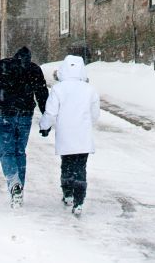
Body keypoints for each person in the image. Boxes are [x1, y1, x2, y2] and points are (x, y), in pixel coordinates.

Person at [0, 46, 48, 208]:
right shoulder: (34, 70)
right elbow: (42, 95)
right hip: (25, 115)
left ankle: (15, 185)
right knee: (19, 152)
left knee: (6, 152)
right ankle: (18, 188)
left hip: (4, 115)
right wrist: (46, 118)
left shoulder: (1, 66)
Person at [39, 54, 100, 216]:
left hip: (65, 136)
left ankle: (68, 194)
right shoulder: (90, 90)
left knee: (66, 165)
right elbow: (95, 115)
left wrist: (44, 126)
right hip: (83, 137)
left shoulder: (58, 89)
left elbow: (51, 113)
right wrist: (86, 124)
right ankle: (79, 201)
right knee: (81, 168)